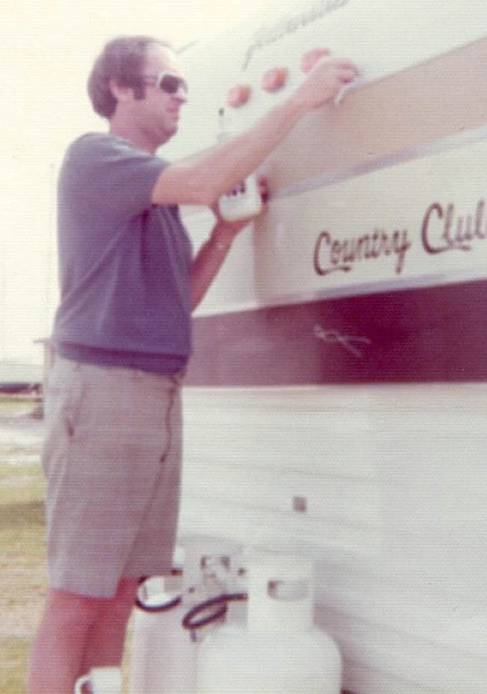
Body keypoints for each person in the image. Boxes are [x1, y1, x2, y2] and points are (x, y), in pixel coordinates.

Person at [27, 35, 358, 694]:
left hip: (156, 390)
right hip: (104, 390)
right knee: (76, 597)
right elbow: (205, 179)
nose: (183, 95)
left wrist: (227, 233)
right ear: (122, 88)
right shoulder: (97, 157)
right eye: (169, 83)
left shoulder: (155, 198)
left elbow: (183, 298)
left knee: (122, 589)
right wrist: (302, 98)